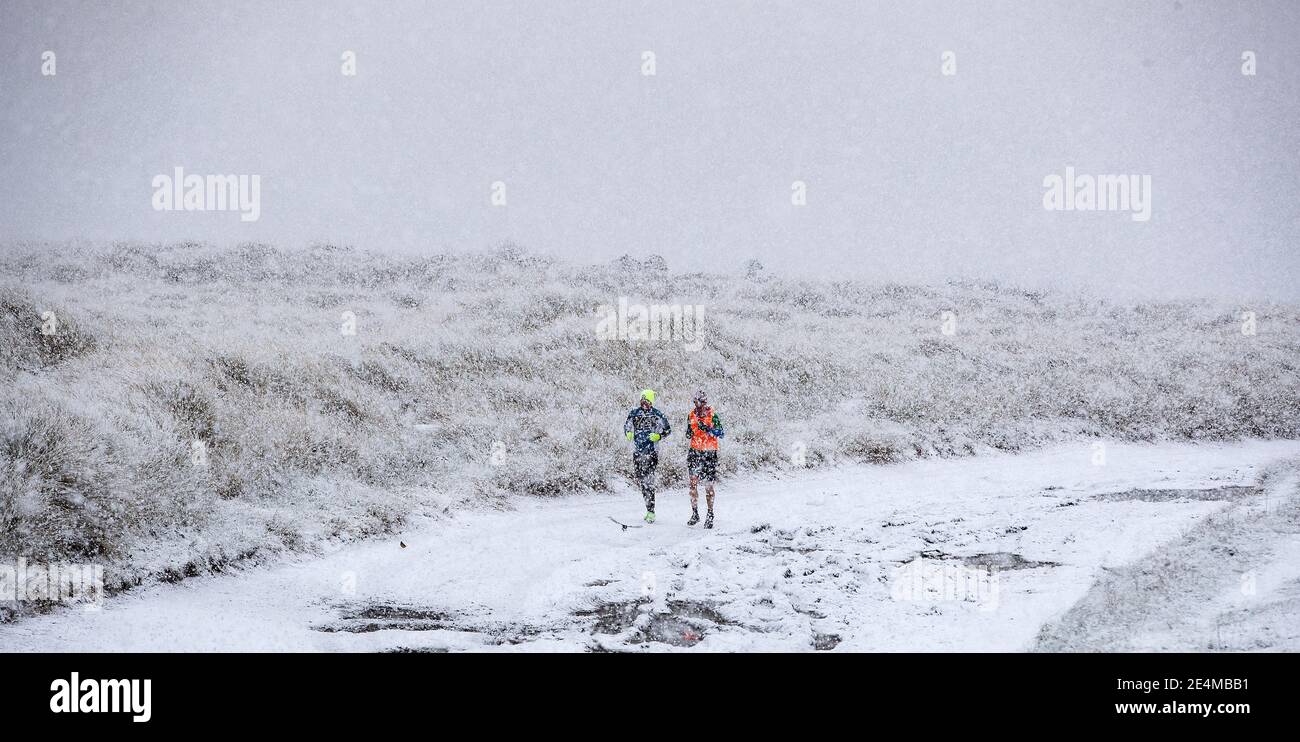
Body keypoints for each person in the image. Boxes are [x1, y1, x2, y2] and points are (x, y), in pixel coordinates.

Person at [624, 389, 671, 522]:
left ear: (651, 402)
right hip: (637, 451)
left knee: (648, 481)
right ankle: (648, 508)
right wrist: (628, 433)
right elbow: (626, 426)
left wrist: (658, 436)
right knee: (642, 480)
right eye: (642, 400)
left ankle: (651, 511)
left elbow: (668, 430)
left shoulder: (657, 414)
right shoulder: (634, 413)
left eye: (647, 401)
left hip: (652, 452)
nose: (644, 403)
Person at [685, 390, 724, 528]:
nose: (695, 405)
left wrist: (708, 429)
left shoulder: (712, 415)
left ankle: (710, 514)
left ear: (703, 402)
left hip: (709, 454)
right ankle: (695, 513)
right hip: (695, 452)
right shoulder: (691, 415)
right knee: (692, 484)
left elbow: (721, 433)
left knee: (708, 486)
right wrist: (689, 432)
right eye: (694, 402)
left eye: (697, 402)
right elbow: (689, 432)